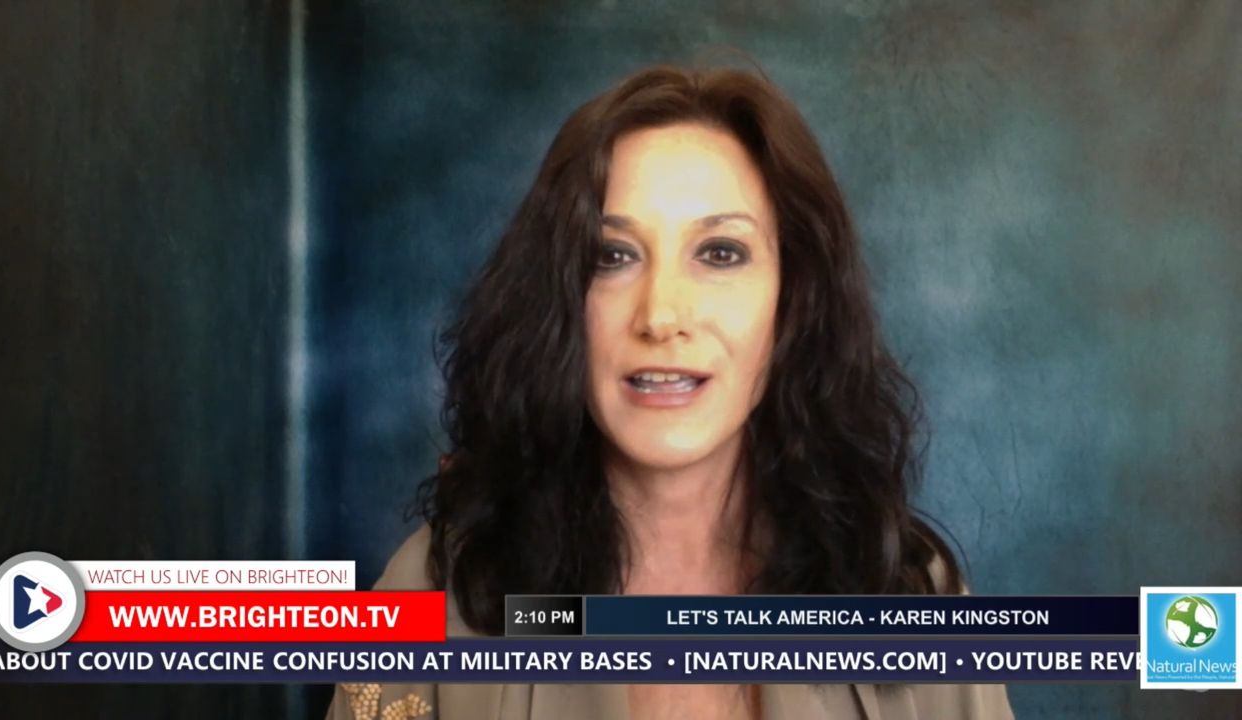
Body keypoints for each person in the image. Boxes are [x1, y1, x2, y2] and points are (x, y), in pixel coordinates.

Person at [328, 64, 1014, 720]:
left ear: (793, 301)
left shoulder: (914, 595)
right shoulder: (429, 592)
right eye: (612, 256)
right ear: (559, 301)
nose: (660, 316)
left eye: (719, 253)